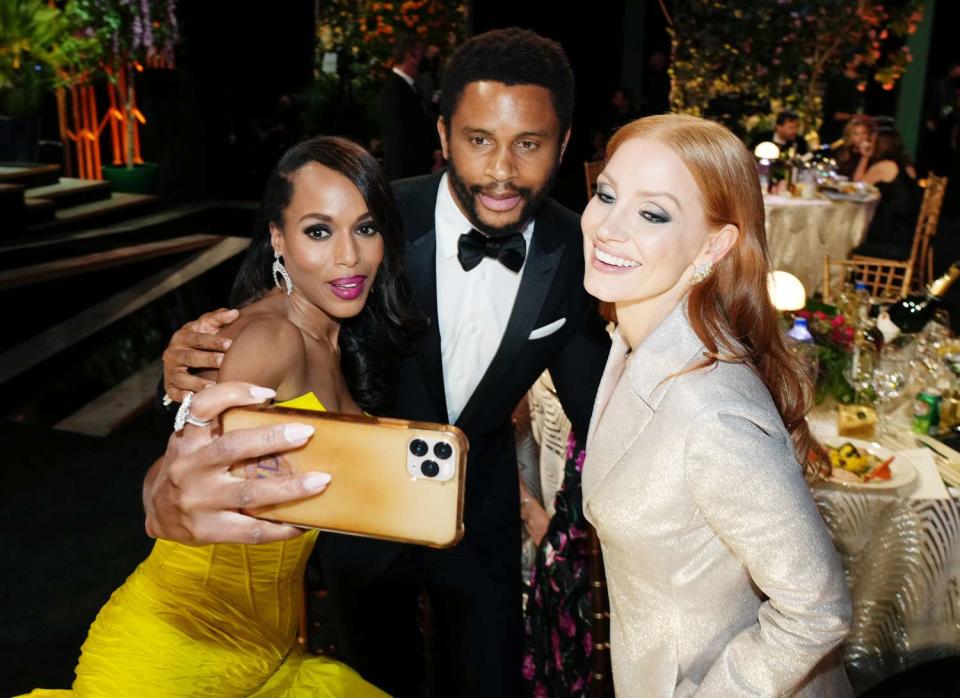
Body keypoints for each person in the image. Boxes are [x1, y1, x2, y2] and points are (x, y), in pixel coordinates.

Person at [154, 28, 611, 697]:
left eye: (530, 144)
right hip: (354, 514)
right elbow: (279, 313)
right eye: (479, 139)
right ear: (444, 132)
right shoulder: (370, 218)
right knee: (370, 683)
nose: (502, 170)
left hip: (477, 516)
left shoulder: (580, 249)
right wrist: (190, 368)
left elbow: (598, 401)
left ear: (564, 143)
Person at [23, 136, 426, 697]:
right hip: (172, 662)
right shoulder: (267, 338)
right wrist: (160, 495)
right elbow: (179, 472)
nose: (348, 256)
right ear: (278, 240)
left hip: (272, 653)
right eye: (318, 231)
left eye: (365, 228)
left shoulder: (337, 334)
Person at [580, 114, 853, 696]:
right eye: (606, 194)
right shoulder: (635, 344)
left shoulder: (712, 413)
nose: (607, 227)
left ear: (714, 244)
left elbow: (818, 609)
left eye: (652, 213)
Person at [852, 126, 922, 259]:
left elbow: (857, 186)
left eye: (872, 141)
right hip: (911, 231)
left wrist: (865, 157)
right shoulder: (906, 164)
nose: (868, 143)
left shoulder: (885, 165)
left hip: (894, 235)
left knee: (853, 242)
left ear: (879, 144)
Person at [379, 34, 440, 180]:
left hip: (414, 169)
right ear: (409, 57)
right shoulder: (394, 89)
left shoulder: (408, 86)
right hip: (405, 171)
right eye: (421, 55)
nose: (424, 60)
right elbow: (400, 135)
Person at [834, 114, 874, 179]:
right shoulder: (842, 151)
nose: (861, 138)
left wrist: (865, 156)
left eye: (864, 133)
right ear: (849, 136)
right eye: (856, 134)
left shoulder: (872, 155)